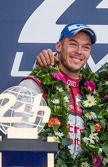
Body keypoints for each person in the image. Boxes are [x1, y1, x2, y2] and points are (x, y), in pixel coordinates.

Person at [19, 22, 96, 165]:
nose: (79, 51)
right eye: (73, 44)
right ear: (59, 47)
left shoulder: (95, 92)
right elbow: (19, 139)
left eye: (86, 47)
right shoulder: (36, 84)